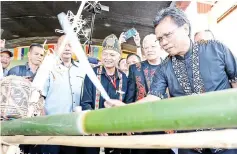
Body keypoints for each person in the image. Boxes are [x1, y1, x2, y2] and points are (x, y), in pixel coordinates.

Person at [106, 7, 237, 154]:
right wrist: (125, 108)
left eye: (167, 35)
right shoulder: (164, 68)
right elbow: (152, 98)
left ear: (185, 28)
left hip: (226, 139)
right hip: (190, 144)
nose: (163, 43)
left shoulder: (216, 49)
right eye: (160, 39)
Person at [81, 34, 129, 154]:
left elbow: (127, 104)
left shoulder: (124, 78)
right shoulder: (91, 74)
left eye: (112, 55)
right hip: (94, 131)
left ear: (119, 57)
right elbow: (85, 103)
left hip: (116, 134)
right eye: (105, 54)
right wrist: (97, 126)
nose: (108, 58)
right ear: (101, 55)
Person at [125, 34, 171, 154]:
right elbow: (130, 96)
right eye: (146, 47)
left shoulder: (169, 66)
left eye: (153, 46)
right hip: (140, 122)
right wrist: (127, 121)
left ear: (160, 46)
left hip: (165, 123)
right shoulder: (135, 68)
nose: (149, 50)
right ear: (143, 50)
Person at [41, 35, 86, 154]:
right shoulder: (48, 68)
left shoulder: (82, 69)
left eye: (70, 45)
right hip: (51, 128)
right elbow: (40, 97)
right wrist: (43, 124)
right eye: (63, 44)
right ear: (56, 47)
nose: (67, 48)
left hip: (73, 128)